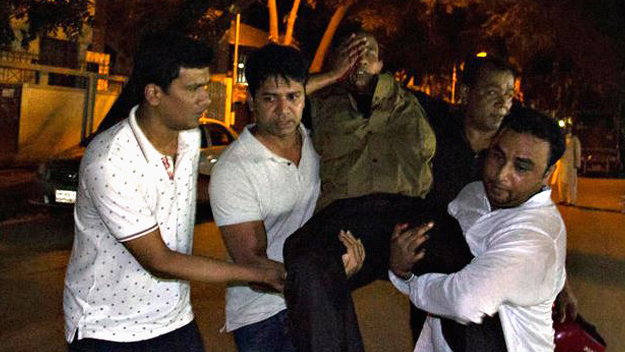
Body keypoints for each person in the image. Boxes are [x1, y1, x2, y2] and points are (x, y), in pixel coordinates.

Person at [63, 31, 284, 352]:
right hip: (109, 330)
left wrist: (253, 197)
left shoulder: (188, 134)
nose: (205, 99)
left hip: (173, 318)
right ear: (154, 94)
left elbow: (180, 186)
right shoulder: (111, 160)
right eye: (194, 88)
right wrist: (253, 271)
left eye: (205, 86)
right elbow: (159, 260)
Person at [282, 30, 444, 352]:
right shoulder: (317, 104)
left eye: (366, 51)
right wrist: (330, 76)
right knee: (306, 265)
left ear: (381, 62)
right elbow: (279, 95)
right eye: (349, 51)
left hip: (408, 215)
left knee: (461, 272)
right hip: (345, 221)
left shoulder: (415, 103)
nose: (358, 57)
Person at [209, 44, 365, 352]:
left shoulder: (313, 138)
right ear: (251, 100)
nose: (283, 110)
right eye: (269, 99)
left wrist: (335, 75)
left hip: (319, 294)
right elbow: (254, 268)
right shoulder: (235, 170)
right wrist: (324, 275)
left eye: (293, 98)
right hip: (264, 316)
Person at [389, 108, 568, 351]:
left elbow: (465, 302)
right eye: (498, 156)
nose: (502, 175)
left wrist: (408, 280)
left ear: (547, 174)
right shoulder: (474, 194)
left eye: (521, 167)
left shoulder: (535, 238)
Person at [552, 126, 582, 205]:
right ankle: (562, 199)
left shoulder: (574, 139)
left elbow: (577, 152)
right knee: (561, 183)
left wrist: (577, 164)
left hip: (571, 165)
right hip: (562, 164)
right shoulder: (561, 139)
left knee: (571, 184)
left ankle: (571, 201)